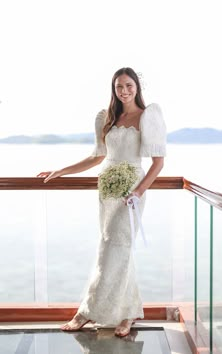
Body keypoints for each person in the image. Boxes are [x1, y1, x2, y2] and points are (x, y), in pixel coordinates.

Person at [37, 67, 166, 337]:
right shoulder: (106, 117)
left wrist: (139, 191)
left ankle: (87, 312)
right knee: (113, 250)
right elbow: (96, 157)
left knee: (115, 250)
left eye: (129, 85)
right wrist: (60, 171)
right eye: (119, 86)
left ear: (136, 87)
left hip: (132, 191)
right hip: (107, 190)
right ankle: (127, 314)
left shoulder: (148, 116)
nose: (124, 91)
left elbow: (158, 162)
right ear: (114, 89)